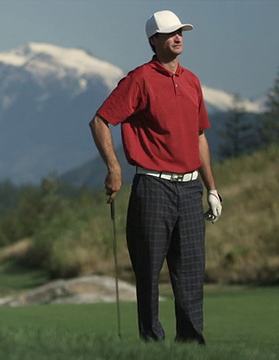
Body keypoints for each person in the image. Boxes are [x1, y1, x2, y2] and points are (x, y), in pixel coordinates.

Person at [89, 10, 222, 344]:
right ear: (154, 41)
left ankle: (191, 345)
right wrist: (115, 168)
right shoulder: (139, 79)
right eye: (170, 33)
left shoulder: (192, 81)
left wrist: (213, 190)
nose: (178, 37)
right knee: (148, 271)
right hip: (153, 186)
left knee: (190, 272)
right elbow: (101, 121)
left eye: (181, 32)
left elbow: (199, 136)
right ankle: (153, 345)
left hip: (191, 189)